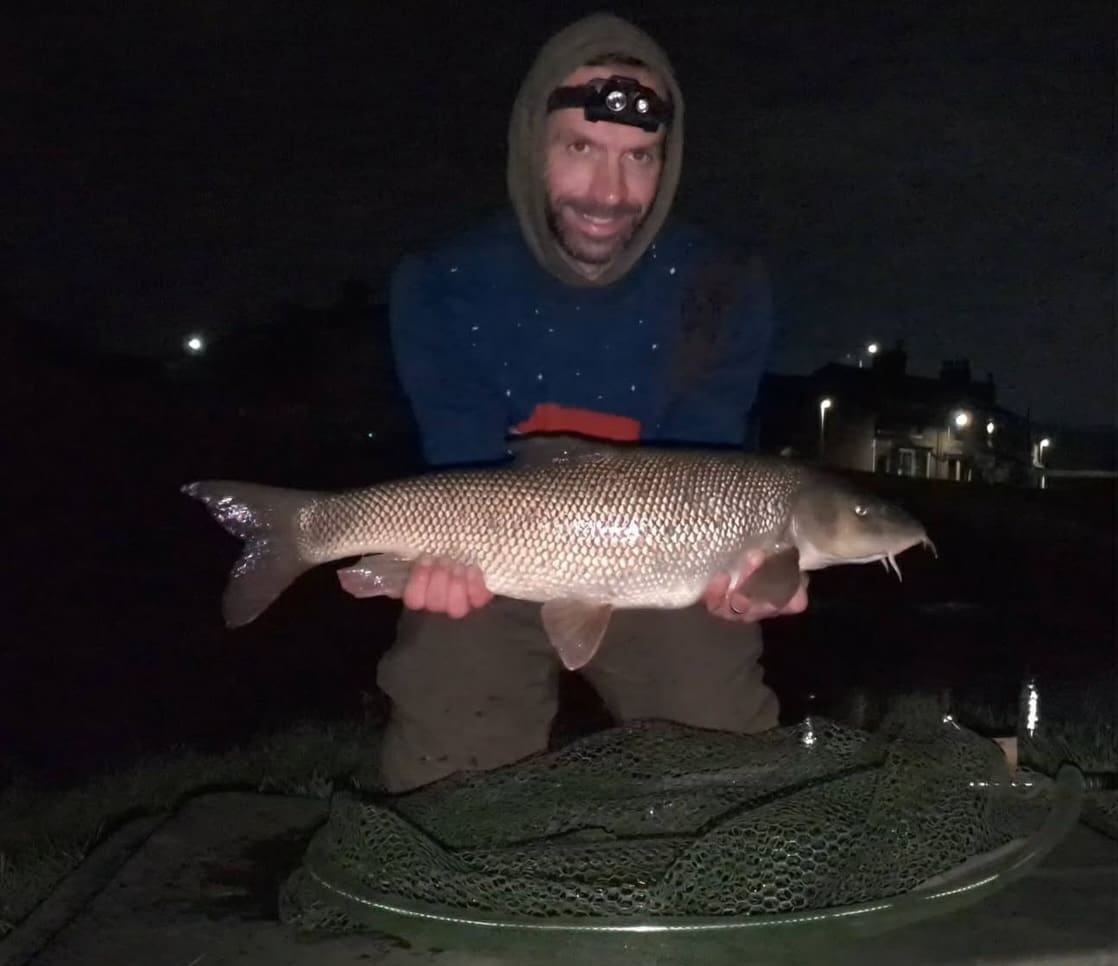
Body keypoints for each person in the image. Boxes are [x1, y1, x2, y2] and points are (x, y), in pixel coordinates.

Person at [370, 12, 807, 793]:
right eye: (582, 150)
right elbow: (463, 465)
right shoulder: (442, 282)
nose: (610, 194)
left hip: (660, 557)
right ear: (531, 144)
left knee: (722, 749)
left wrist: (747, 572)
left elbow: (704, 468)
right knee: (451, 703)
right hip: (498, 553)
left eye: (640, 158)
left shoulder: (724, 286)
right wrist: (416, 559)